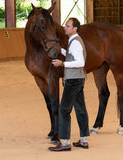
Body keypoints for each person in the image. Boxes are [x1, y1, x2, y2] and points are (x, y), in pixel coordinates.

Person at [48, 18, 90, 152]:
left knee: (64, 110)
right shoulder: (74, 41)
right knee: (80, 109)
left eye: (67, 26)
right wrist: (62, 51)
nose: (65, 27)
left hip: (73, 80)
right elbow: (72, 55)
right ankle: (83, 140)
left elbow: (81, 62)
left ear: (74, 29)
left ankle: (65, 142)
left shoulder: (76, 42)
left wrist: (62, 64)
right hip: (78, 79)